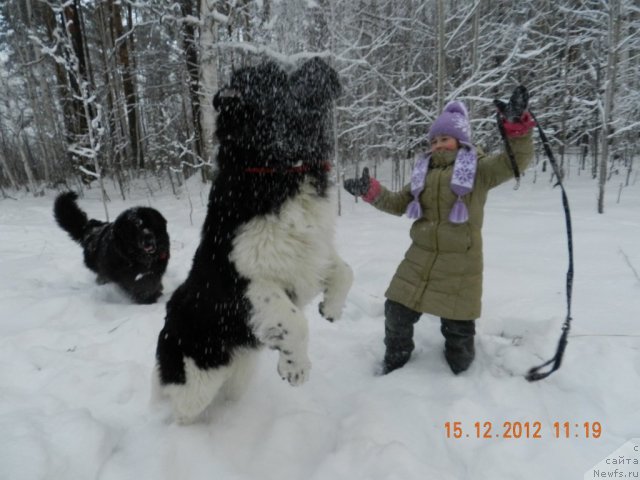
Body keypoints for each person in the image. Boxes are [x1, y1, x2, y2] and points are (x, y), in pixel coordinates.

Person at [344, 87, 536, 375]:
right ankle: (396, 361)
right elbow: (398, 203)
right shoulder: (424, 174)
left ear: (460, 141)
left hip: (459, 264)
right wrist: (371, 191)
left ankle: (463, 375)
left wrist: (516, 128)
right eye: (434, 140)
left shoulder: (479, 170)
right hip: (419, 258)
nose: (437, 145)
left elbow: (515, 162)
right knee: (396, 311)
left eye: (444, 139)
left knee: (458, 333)